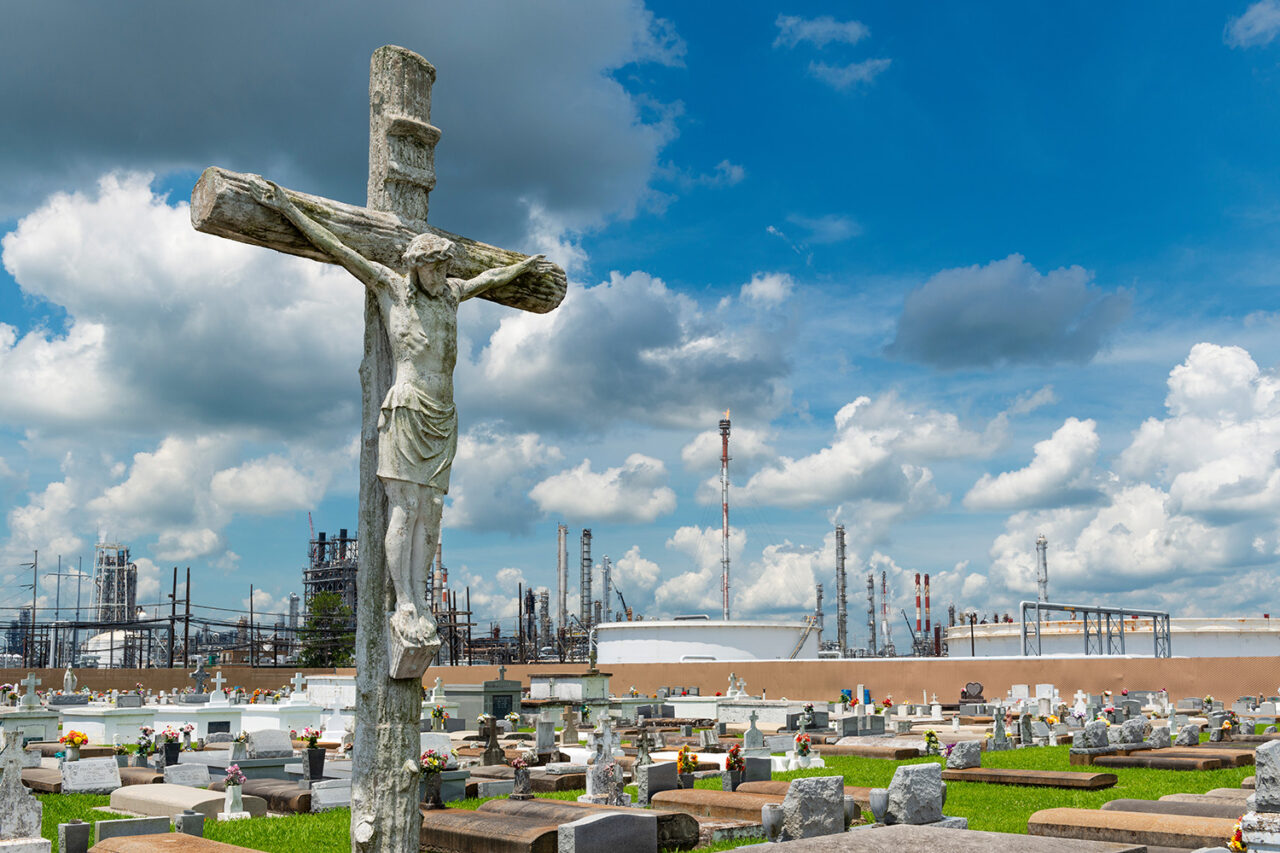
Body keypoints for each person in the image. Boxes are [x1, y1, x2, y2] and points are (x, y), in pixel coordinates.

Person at [248, 177, 543, 662]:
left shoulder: (449, 295)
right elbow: (339, 247)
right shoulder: (391, 288)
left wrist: (522, 267)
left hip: (443, 414)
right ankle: (404, 599)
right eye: (434, 266)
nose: (441, 273)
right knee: (405, 507)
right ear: (415, 265)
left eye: (446, 266)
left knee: (433, 512)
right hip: (406, 407)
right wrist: (287, 209)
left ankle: (421, 596)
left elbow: (489, 280)